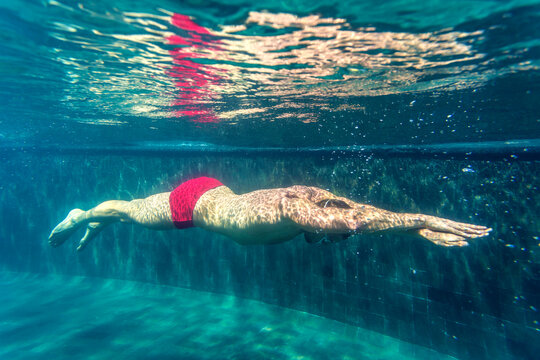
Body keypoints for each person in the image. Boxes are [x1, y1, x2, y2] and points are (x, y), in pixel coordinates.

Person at [49, 177, 491, 251]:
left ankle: (94, 223)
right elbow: (351, 222)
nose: (340, 237)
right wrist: (419, 221)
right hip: (195, 205)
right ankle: (80, 216)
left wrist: (415, 231)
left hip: (215, 191)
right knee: (127, 212)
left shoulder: (316, 194)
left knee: (126, 214)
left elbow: (357, 212)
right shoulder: (300, 208)